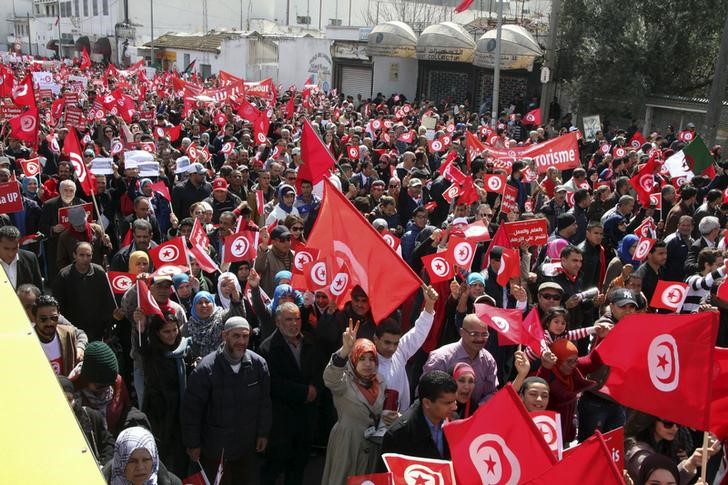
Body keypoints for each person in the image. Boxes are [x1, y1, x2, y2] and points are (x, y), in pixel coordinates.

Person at [182, 317, 271, 484]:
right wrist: (193, 444)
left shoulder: (259, 365)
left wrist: (263, 433)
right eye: (236, 336)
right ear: (225, 336)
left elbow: (264, 403)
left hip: (246, 447)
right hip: (215, 450)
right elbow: (192, 411)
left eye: (245, 336)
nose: (241, 341)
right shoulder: (205, 370)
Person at [258, 302, 326, 485]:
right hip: (282, 422)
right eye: (289, 319)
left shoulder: (311, 342)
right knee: (273, 468)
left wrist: (315, 389)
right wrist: (304, 392)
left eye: (297, 318)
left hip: (306, 419)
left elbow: (321, 372)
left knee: (298, 469)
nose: (294, 323)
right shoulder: (267, 348)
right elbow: (271, 383)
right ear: (278, 321)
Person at [321, 321, 385, 485]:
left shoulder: (380, 382)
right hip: (347, 443)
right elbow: (330, 378)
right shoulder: (344, 381)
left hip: (372, 445)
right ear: (354, 359)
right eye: (362, 358)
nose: (368, 364)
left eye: (371, 359)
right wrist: (344, 351)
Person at [373, 284, 438, 412]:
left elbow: (419, 331)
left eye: (395, 343)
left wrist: (429, 304)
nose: (392, 348)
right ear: (375, 339)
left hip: (398, 421)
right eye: (387, 342)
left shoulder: (400, 352)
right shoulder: (365, 360)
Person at [141, 312, 191, 477]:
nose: (171, 335)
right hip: (161, 415)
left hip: (183, 414)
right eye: (166, 331)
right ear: (157, 333)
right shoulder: (151, 354)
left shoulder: (185, 349)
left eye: (174, 330)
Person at [379, 370, 458, 464]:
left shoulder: (453, 420)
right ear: (427, 403)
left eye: (454, 401)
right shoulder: (399, 435)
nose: (454, 407)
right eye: (448, 403)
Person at [625, 412, 720, 485]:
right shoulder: (639, 454)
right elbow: (664, 480)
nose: (675, 428)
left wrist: (691, 462)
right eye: (668, 423)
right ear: (651, 421)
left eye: (678, 423)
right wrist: (690, 464)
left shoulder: (668, 446)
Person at [422, 313, 498, 404]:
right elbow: (426, 392)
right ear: (462, 332)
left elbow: (492, 392)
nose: (480, 339)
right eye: (474, 334)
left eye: (484, 334)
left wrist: (476, 411)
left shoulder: (488, 361)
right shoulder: (441, 358)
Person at [53, 241, 116, 341]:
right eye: (81, 255)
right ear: (74, 255)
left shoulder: (99, 272)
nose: (85, 259)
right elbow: (59, 304)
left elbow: (107, 300)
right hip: (74, 329)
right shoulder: (64, 275)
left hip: (97, 329)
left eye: (88, 255)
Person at [537, 339, 595, 443]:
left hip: (565, 435)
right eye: (569, 361)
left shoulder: (574, 368)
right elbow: (539, 386)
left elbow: (594, 360)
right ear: (557, 360)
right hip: (547, 435)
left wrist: (602, 337)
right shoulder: (547, 373)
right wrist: (545, 368)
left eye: (575, 360)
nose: (573, 365)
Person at [58, 375, 115, 465]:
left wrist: (103, 466)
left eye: (69, 399)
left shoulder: (91, 416)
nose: (66, 405)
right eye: (60, 400)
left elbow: (108, 444)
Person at [103, 426, 182, 485]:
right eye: (132, 461)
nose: (140, 467)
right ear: (120, 462)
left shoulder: (172, 483)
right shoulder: (100, 481)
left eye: (146, 460)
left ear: (154, 460)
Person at [32, 294, 78, 376]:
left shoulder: (68, 334)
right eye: (43, 319)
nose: (49, 323)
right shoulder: (27, 341)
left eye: (54, 318)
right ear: (34, 318)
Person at [0, 225, 43, 290]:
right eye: (6, 249)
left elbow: (38, 290)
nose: (11, 254)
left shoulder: (30, 258)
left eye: (15, 248)